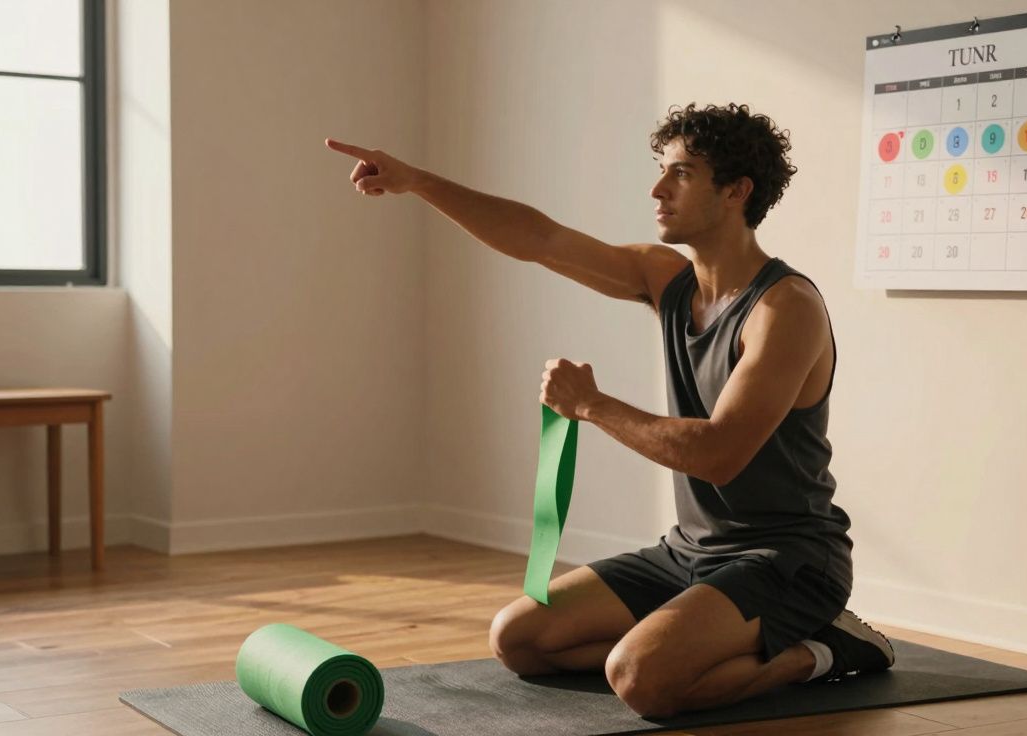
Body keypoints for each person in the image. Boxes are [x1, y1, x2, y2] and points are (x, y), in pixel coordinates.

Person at [325, 102, 894, 718]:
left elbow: (719, 455)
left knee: (640, 679)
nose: (657, 188)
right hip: (690, 552)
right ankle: (695, 635)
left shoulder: (784, 310)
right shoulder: (667, 279)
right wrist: (417, 182)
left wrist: (592, 406)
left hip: (787, 558)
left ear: (736, 191)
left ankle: (825, 649)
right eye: (661, 169)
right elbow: (540, 239)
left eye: (680, 173)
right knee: (517, 637)